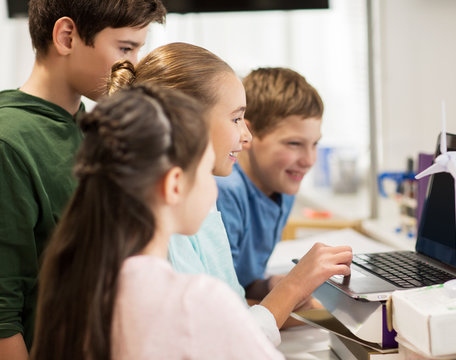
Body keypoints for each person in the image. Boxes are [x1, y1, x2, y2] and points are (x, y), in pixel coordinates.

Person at [107, 42, 353, 345]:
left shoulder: (202, 201)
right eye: (236, 118)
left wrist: (286, 293)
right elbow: (222, 339)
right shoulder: (157, 228)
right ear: (188, 123)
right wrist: (292, 289)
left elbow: (232, 307)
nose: (245, 136)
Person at [30, 84, 285, 360]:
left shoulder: (72, 277)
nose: (213, 189)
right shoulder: (195, 300)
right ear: (174, 184)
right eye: (206, 171)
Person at [0, 0, 166, 357]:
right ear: (66, 37)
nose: (134, 65)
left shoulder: (93, 129)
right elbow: (2, 315)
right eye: (125, 48)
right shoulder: (8, 142)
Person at [216, 67, 324, 300]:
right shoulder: (225, 190)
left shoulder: (283, 185)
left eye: (314, 144)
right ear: (248, 133)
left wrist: (270, 286)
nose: (309, 160)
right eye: (294, 144)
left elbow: (243, 281)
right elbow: (225, 306)